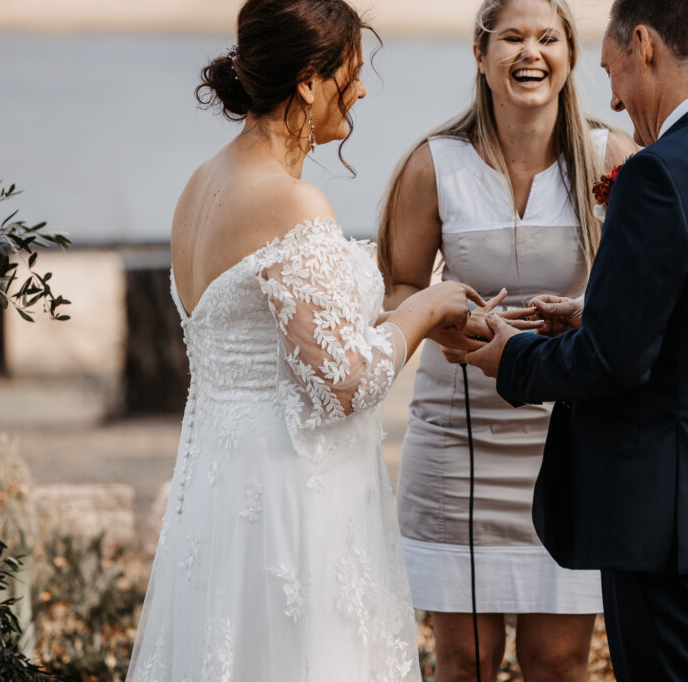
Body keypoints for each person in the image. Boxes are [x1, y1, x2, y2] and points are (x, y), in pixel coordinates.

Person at [125, 1, 490, 679]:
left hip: (219, 487)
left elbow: (293, 344)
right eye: (351, 70)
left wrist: (408, 316)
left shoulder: (199, 185)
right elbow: (341, 383)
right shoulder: (290, 203)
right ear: (308, 81)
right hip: (294, 500)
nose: (361, 87)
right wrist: (428, 306)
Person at [465, 0, 688, 679]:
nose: (612, 96)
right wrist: (595, 313)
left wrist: (510, 355)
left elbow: (612, 363)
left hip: (664, 523)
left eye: (610, 69)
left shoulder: (656, 173)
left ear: (645, 45)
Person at [377, 0, 636, 679]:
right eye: (512, 37)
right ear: (480, 54)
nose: (530, 53)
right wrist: (444, 319)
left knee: (556, 661)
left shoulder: (612, 158)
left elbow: (644, 293)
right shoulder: (433, 164)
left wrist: (585, 311)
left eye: (547, 38)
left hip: (570, 443)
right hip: (454, 442)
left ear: (571, 55)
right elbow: (400, 289)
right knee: (466, 659)